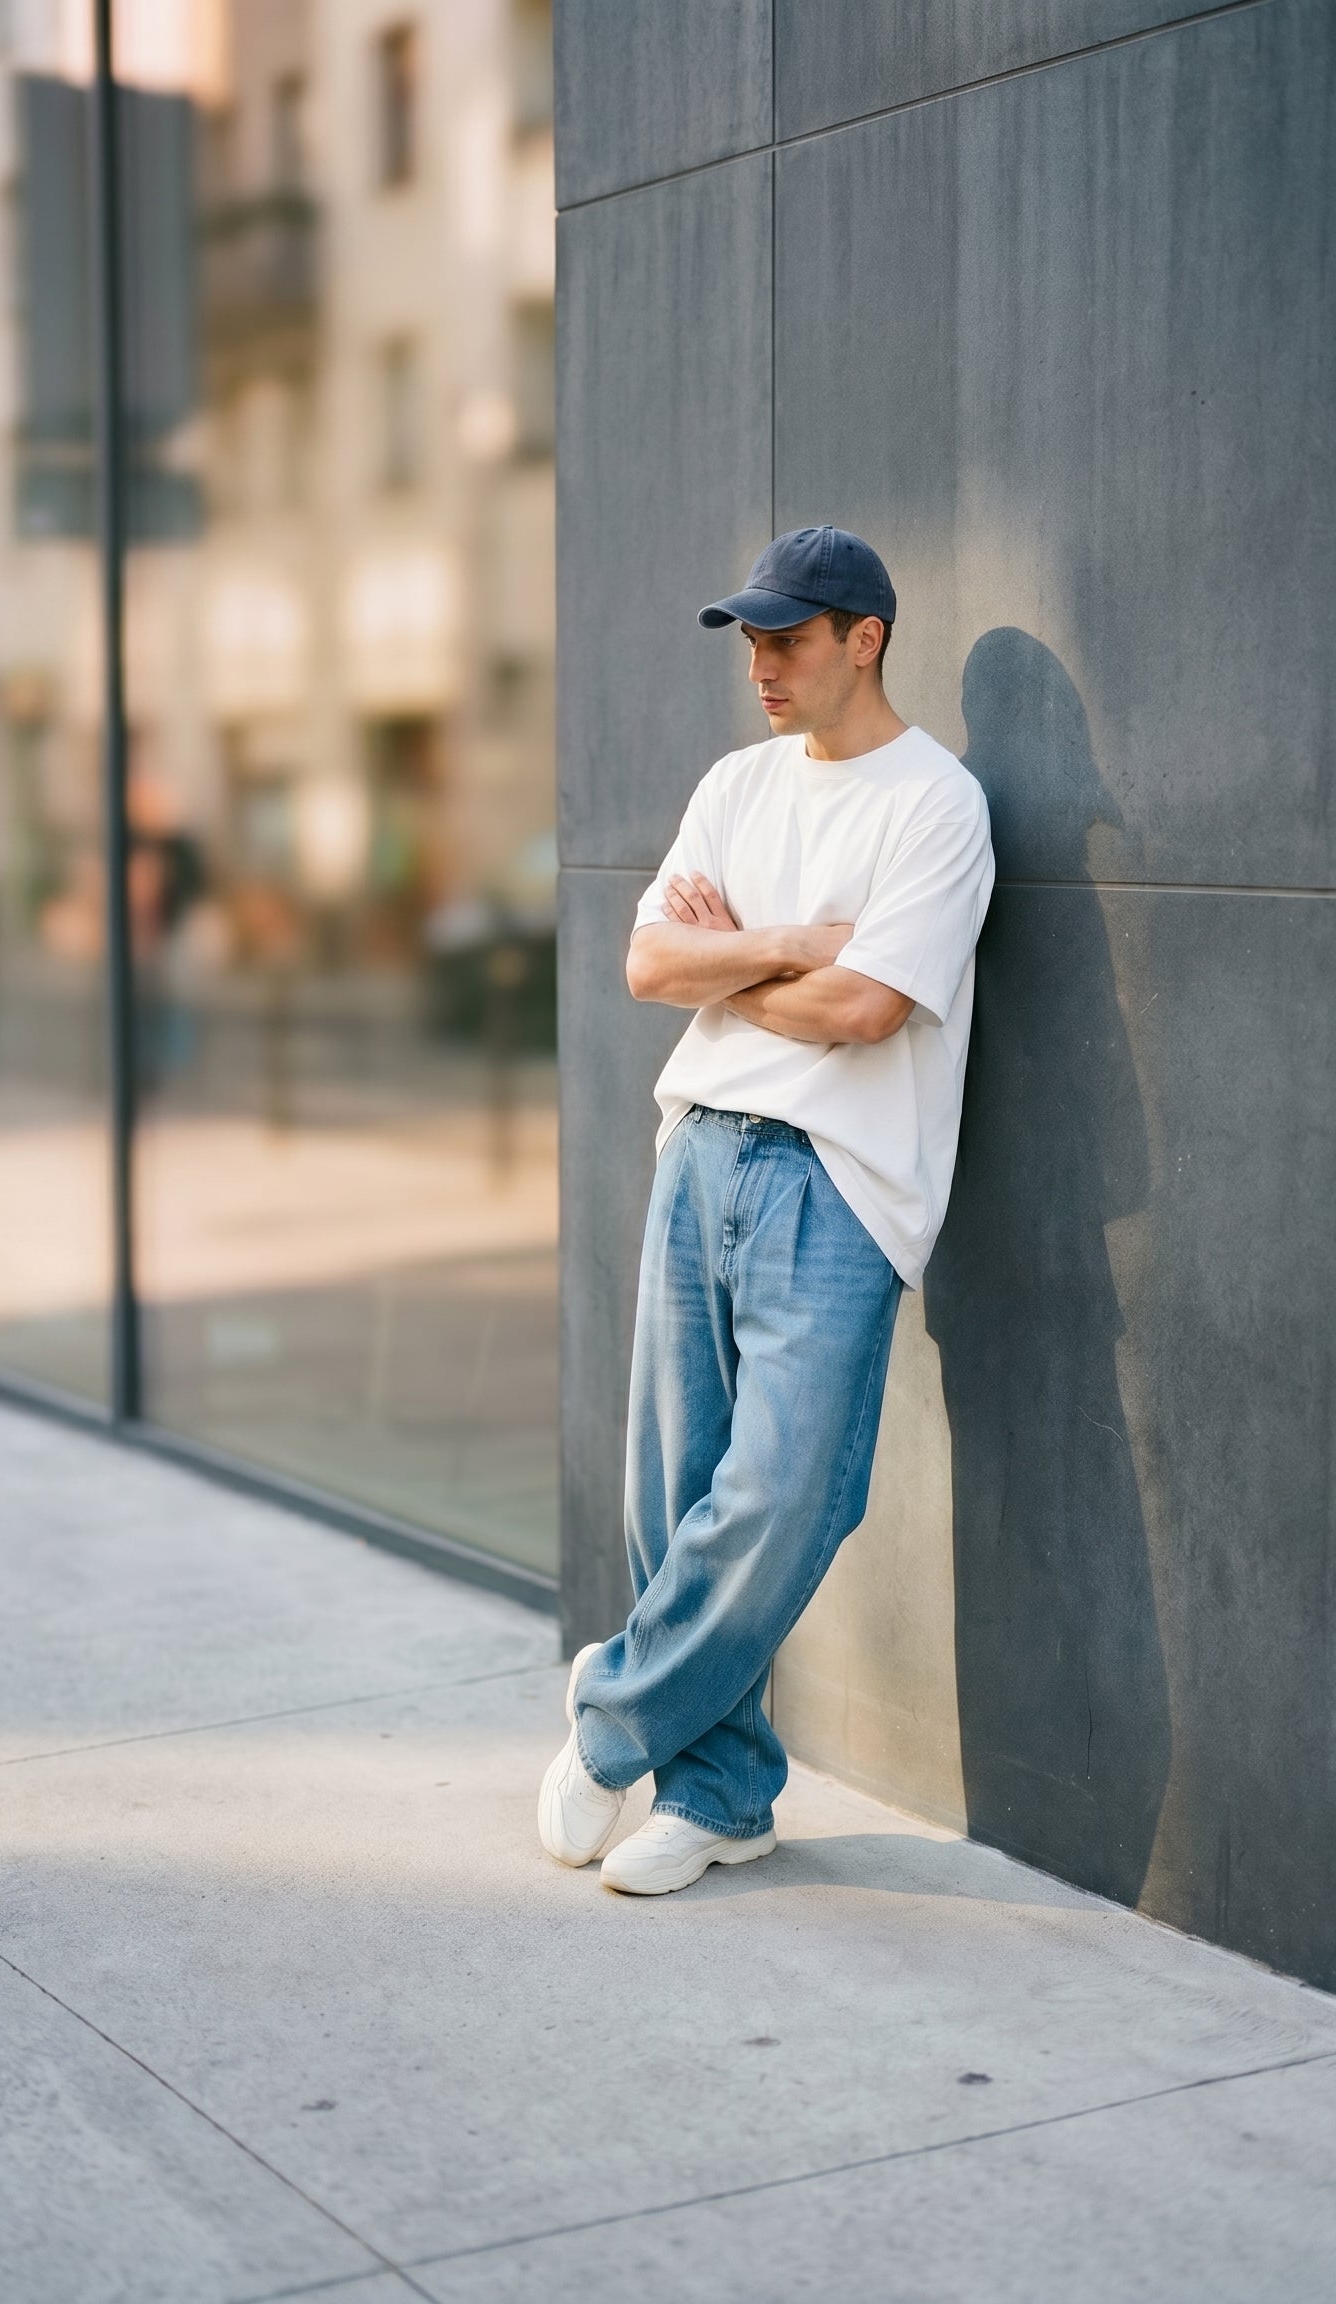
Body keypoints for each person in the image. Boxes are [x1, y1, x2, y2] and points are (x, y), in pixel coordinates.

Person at [538, 525, 994, 1894]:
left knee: (790, 1492)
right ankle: (724, 1795)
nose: (762, 665)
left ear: (867, 638)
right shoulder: (738, 784)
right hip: (699, 1151)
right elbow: (645, 960)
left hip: (838, 1179)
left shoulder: (936, 805)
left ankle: (615, 1714)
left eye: (788, 639)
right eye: (750, 639)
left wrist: (724, 970)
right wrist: (790, 942)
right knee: (674, 1497)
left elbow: (870, 1012)